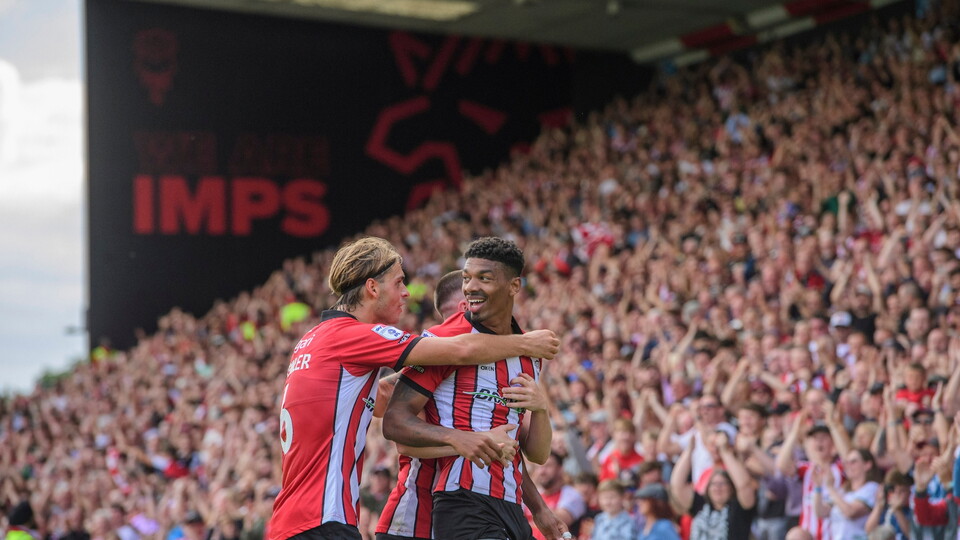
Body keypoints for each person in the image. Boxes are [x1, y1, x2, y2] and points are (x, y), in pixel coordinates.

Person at [269, 237, 559, 540]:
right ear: (372, 288)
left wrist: (535, 412)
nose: (406, 293)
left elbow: (380, 397)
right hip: (323, 518)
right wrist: (526, 342)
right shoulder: (351, 335)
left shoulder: (315, 338)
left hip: (298, 518)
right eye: (398, 283)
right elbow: (458, 351)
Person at [383, 237, 556, 540]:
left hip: (511, 505)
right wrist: (466, 440)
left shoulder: (530, 356)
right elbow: (395, 420)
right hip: (459, 499)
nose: (471, 287)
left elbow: (534, 454)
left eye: (484, 278)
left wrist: (541, 409)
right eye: (466, 278)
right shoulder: (443, 344)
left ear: (514, 286)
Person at [671, 431, 757, 540]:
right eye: (714, 484)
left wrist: (724, 451)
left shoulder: (738, 508)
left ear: (731, 488)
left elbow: (744, 486)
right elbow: (677, 486)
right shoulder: (701, 505)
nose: (717, 488)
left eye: (723, 484)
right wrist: (689, 450)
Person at [814, 449, 880, 540]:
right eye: (846, 463)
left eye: (853, 462)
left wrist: (831, 488)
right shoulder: (843, 491)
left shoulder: (872, 488)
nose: (848, 466)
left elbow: (850, 512)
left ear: (867, 465)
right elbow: (820, 512)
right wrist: (818, 487)